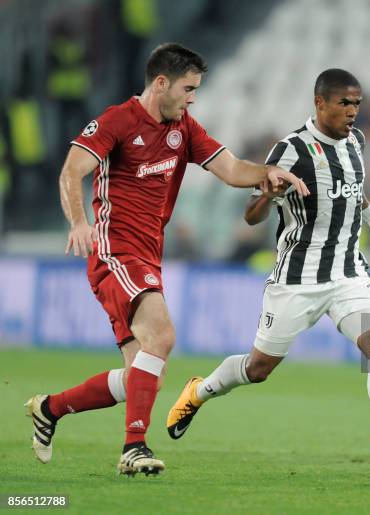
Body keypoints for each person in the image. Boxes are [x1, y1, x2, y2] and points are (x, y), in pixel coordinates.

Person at [25, 42, 309, 476]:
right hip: (113, 249)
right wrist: (78, 222)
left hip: (147, 255)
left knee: (141, 373)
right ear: (162, 84)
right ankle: (134, 448)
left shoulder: (184, 127)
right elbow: (72, 170)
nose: (193, 97)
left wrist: (267, 173)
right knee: (162, 335)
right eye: (189, 88)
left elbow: (231, 168)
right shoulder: (116, 121)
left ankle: (50, 408)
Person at [167, 69, 370, 475]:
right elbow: (251, 215)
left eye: (357, 103)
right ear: (320, 103)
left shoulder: (357, 141)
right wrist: (267, 196)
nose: (353, 111)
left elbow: (355, 192)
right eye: (344, 103)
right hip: (297, 278)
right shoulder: (291, 150)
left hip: (348, 274)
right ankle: (200, 391)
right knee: (258, 368)